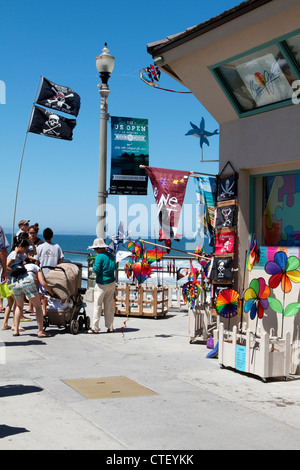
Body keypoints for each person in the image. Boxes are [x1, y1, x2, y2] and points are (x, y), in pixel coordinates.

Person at [9, 255, 54, 338]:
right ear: (35, 262)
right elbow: (43, 283)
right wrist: (51, 291)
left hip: (15, 283)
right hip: (27, 282)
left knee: (19, 306)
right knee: (37, 307)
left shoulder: (22, 267)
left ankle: (16, 330)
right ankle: (41, 331)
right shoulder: (36, 267)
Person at [87, 238, 116, 334]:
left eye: (95, 249)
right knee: (109, 306)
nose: (95, 251)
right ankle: (110, 327)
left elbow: (96, 270)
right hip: (111, 283)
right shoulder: (111, 256)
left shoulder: (100, 256)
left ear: (99, 249)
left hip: (101, 284)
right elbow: (114, 267)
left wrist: (91, 269)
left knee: (97, 305)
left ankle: (95, 327)